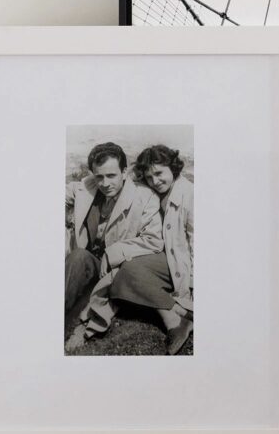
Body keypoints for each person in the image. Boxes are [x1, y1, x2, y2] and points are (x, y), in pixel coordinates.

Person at [65, 142, 161, 348]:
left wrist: (115, 252)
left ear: (124, 172)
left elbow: (153, 239)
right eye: (99, 176)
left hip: (115, 267)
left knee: (78, 260)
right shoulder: (86, 186)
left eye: (111, 176)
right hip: (86, 262)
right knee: (78, 257)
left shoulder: (144, 197)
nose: (105, 183)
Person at [108, 144, 194, 355]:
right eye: (149, 176)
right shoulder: (152, 190)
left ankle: (174, 322)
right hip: (166, 256)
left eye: (159, 173)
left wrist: (194, 283)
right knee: (124, 269)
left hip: (182, 261)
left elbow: (197, 242)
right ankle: (179, 311)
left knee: (130, 270)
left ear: (173, 168)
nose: (155, 181)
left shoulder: (190, 194)